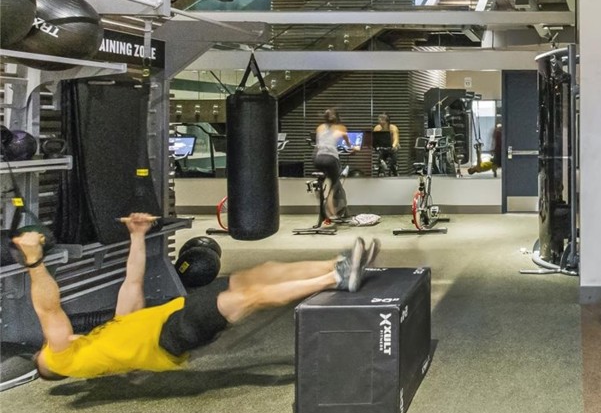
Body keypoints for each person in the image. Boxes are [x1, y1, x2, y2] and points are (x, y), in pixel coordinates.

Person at [12, 214, 380, 381]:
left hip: (178, 314)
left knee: (256, 274)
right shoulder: (64, 362)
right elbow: (48, 308)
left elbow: (132, 283)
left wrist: (138, 236)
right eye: (45, 349)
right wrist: (34, 261)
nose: (51, 342)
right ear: (49, 363)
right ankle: (337, 277)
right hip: (174, 334)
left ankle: (338, 262)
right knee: (251, 297)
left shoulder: (106, 338)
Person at [314, 109, 357, 219]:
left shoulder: (320, 127)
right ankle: (331, 212)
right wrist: (354, 149)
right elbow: (350, 146)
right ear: (337, 117)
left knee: (322, 182)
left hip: (318, 159)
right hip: (330, 159)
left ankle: (320, 196)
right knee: (334, 184)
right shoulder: (341, 128)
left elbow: (319, 143)